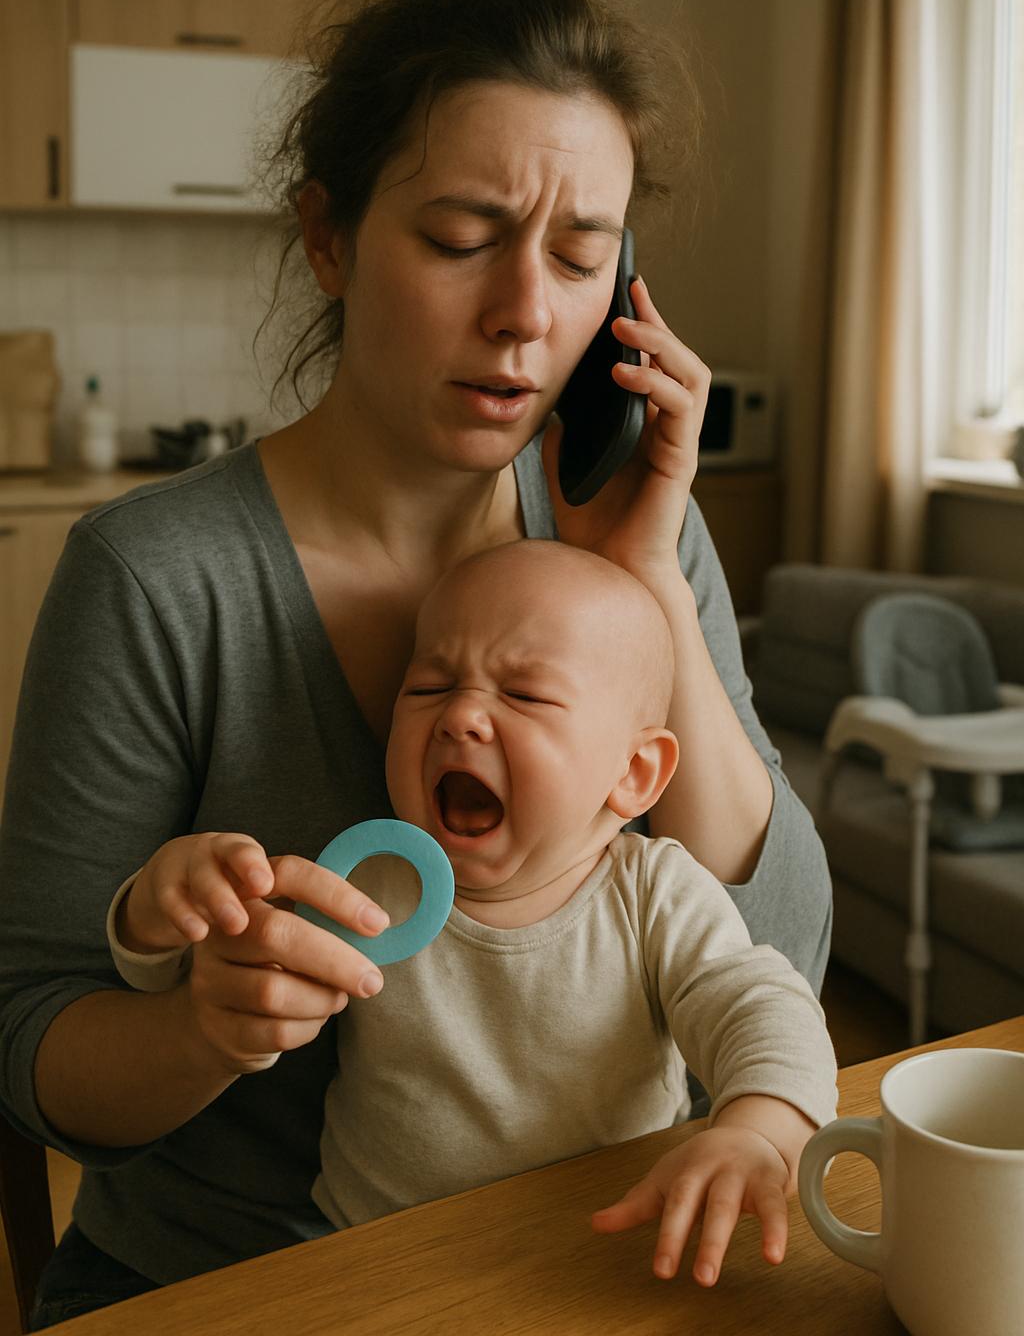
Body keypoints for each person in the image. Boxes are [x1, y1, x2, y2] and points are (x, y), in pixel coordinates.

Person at [0, 0, 831, 1327]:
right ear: (328, 238)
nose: (525, 317)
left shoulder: (628, 531)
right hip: (240, 1282)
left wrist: (647, 575)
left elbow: (780, 950)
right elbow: (30, 1041)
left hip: (581, 1254)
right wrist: (198, 1028)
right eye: (460, 240)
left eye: (580, 258)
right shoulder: (156, 579)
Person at [108, 540, 837, 1287]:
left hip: (603, 1255)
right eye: (428, 687)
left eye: (524, 696)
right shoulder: (362, 883)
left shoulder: (656, 896)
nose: (461, 716)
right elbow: (215, 970)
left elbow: (762, 1004)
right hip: (376, 1260)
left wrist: (760, 1130)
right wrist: (160, 911)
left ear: (633, 772)